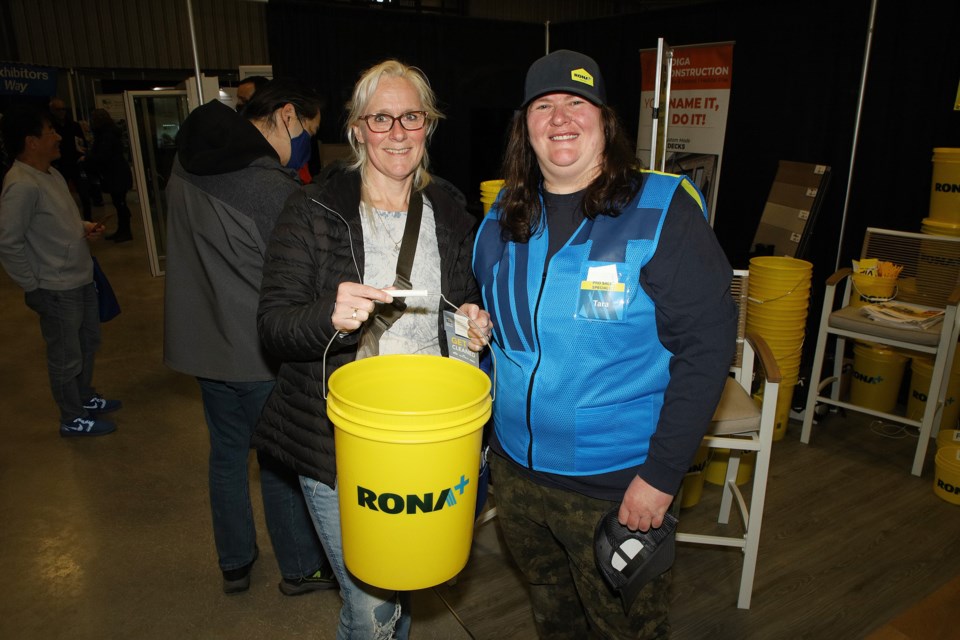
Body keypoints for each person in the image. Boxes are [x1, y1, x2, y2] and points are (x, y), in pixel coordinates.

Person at [471, 49, 738, 639]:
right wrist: (477, 320)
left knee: (625, 630)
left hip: (617, 485)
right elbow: (494, 308)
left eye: (577, 103)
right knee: (554, 620)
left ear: (605, 121)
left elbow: (708, 349)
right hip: (518, 474)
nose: (560, 117)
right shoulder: (501, 213)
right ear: (525, 127)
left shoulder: (662, 209)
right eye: (544, 105)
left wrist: (662, 475)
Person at [252, 60, 492, 639]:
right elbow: (274, 325)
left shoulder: (452, 213)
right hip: (341, 444)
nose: (397, 131)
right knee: (374, 609)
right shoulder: (314, 210)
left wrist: (473, 326)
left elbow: (457, 311)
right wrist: (327, 317)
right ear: (357, 128)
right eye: (380, 118)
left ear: (428, 126)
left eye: (411, 116)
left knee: (401, 586)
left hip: (424, 441)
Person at [163, 79, 335, 596]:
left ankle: (235, 561)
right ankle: (301, 567)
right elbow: (306, 276)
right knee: (281, 459)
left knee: (226, 454)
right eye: (307, 130)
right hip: (258, 353)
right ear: (286, 115)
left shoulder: (187, 160)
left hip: (203, 343)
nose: (306, 143)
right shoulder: (269, 187)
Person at [0, 105, 122, 437]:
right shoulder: (21, 185)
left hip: (79, 277)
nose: (58, 136)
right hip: (55, 287)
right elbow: (8, 242)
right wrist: (33, 286)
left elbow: (60, 220)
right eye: (49, 131)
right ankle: (72, 417)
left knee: (87, 341)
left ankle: (84, 398)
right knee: (66, 354)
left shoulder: (50, 174)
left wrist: (84, 227)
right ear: (31, 141)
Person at [87, 109, 134, 242]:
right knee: (119, 203)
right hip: (116, 174)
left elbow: (103, 156)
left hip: (116, 175)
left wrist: (89, 159)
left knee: (120, 204)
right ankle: (123, 230)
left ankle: (125, 231)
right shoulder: (110, 134)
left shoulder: (106, 136)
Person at [49, 98, 94, 221]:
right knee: (60, 196)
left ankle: (88, 220)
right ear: (53, 111)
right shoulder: (50, 127)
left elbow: (82, 142)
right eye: (58, 110)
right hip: (59, 165)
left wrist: (82, 155)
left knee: (84, 194)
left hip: (76, 163)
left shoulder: (73, 125)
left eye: (64, 109)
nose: (62, 112)